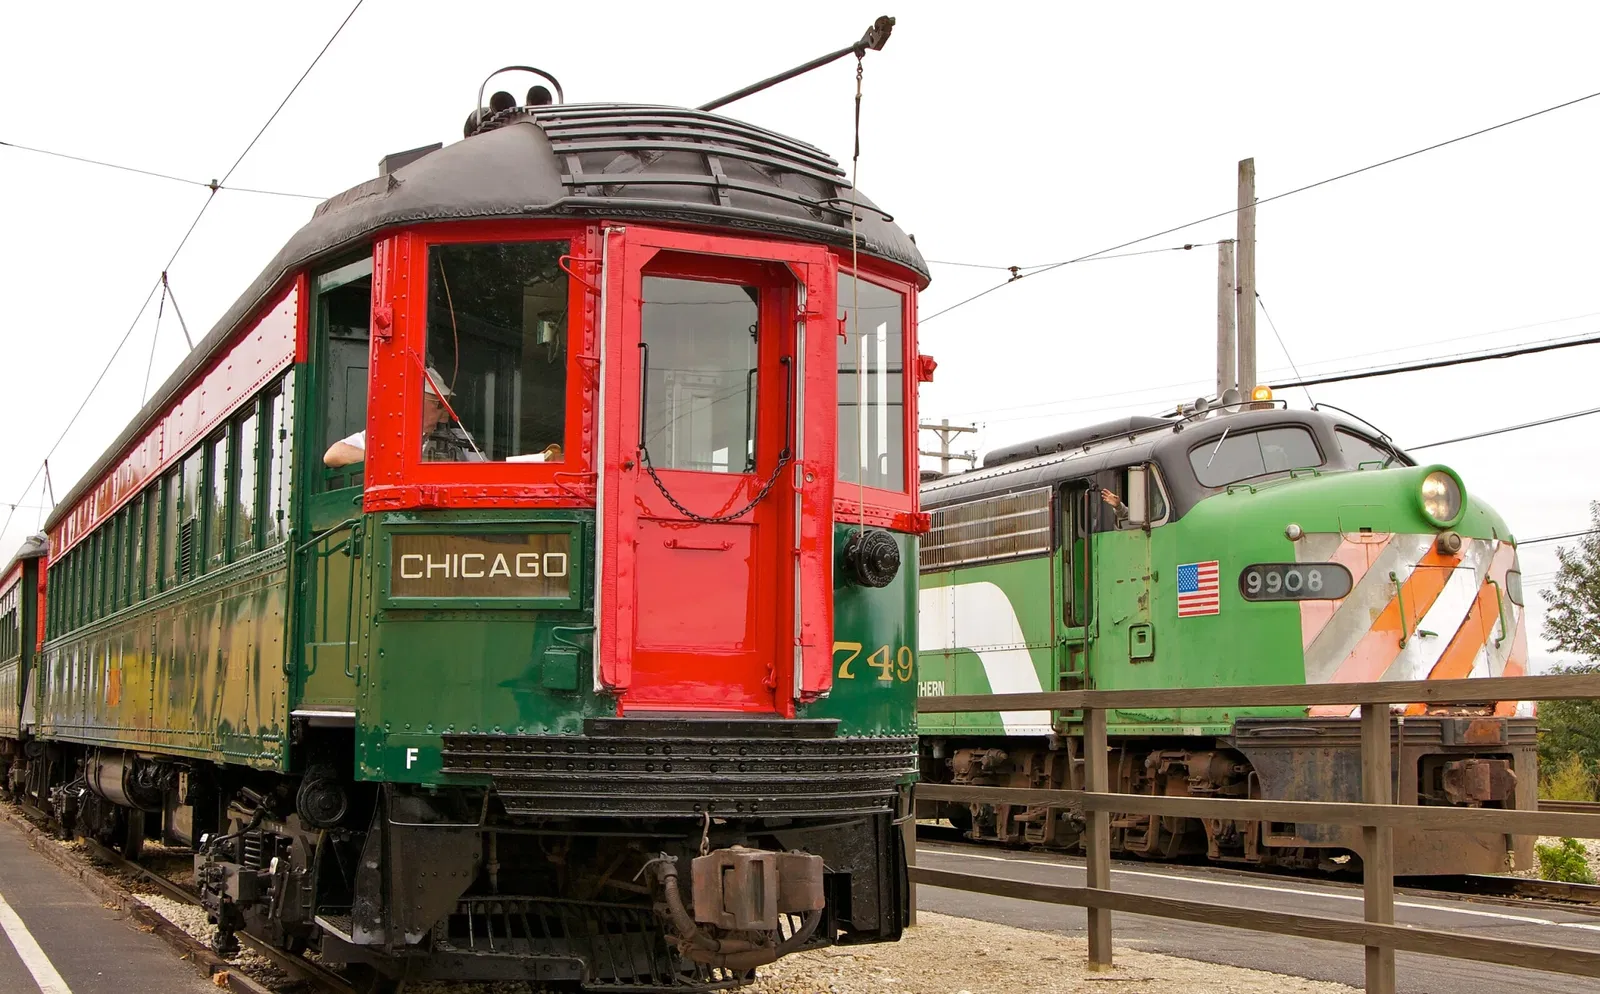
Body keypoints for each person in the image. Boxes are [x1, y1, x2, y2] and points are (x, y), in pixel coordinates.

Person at [323, 368, 484, 467]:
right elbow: (334, 455)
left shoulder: (461, 438)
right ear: (416, 402)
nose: (446, 414)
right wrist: (391, 461)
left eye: (448, 405)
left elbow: (485, 471)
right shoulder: (386, 436)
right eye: (440, 405)